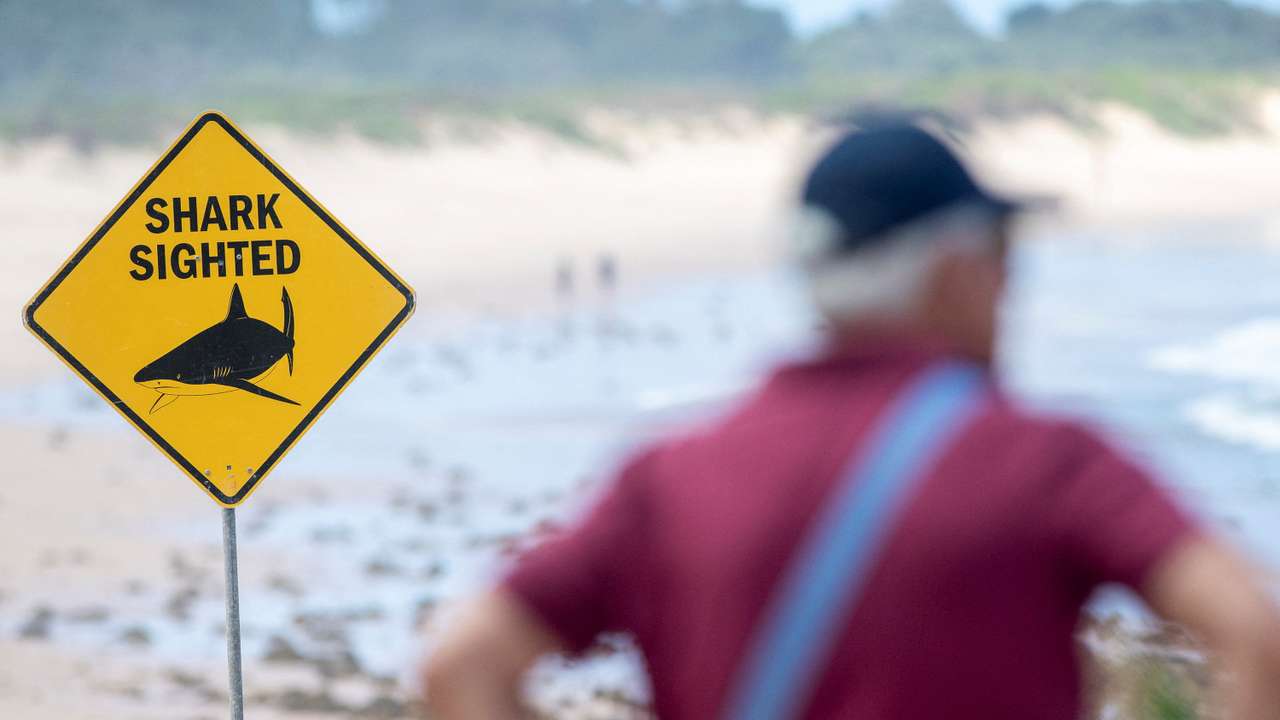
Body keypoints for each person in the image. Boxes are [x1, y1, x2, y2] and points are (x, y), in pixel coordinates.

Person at [421, 124, 1280, 719]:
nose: (1011, 286)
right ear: (951, 272)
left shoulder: (668, 479)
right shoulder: (1044, 463)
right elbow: (1250, 628)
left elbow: (462, 663)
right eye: (1001, 257)